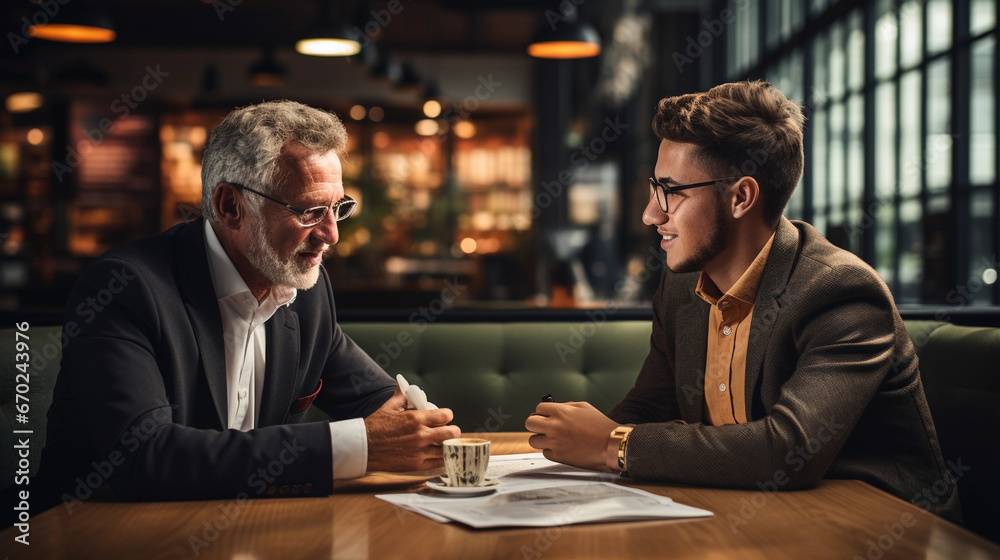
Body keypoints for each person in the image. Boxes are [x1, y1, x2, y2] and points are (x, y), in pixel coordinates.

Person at [525, 81, 961, 523]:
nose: (651, 214)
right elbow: (648, 410)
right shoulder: (681, 289)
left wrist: (609, 444)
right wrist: (576, 442)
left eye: (671, 191)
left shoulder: (841, 293)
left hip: (882, 525)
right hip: (757, 515)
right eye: (655, 187)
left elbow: (789, 449)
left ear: (741, 197)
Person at [37, 100, 460, 505]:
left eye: (338, 208)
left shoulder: (304, 292)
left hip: (242, 529)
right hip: (91, 533)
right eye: (311, 211)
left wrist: (415, 425)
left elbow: (381, 402)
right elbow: (143, 458)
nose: (331, 234)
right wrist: (357, 446)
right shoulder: (124, 288)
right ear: (231, 206)